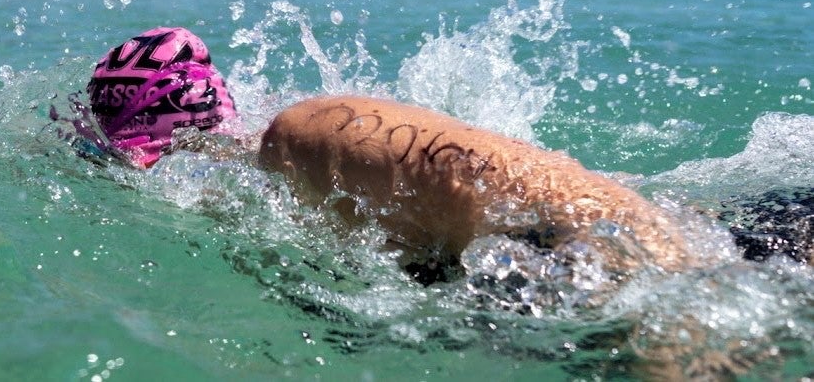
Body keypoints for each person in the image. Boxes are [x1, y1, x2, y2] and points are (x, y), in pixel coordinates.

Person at [61, 26, 704, 279]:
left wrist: (691, 328)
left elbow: (605, 217)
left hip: (726, 264)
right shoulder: (277, 190)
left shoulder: (309, 133)